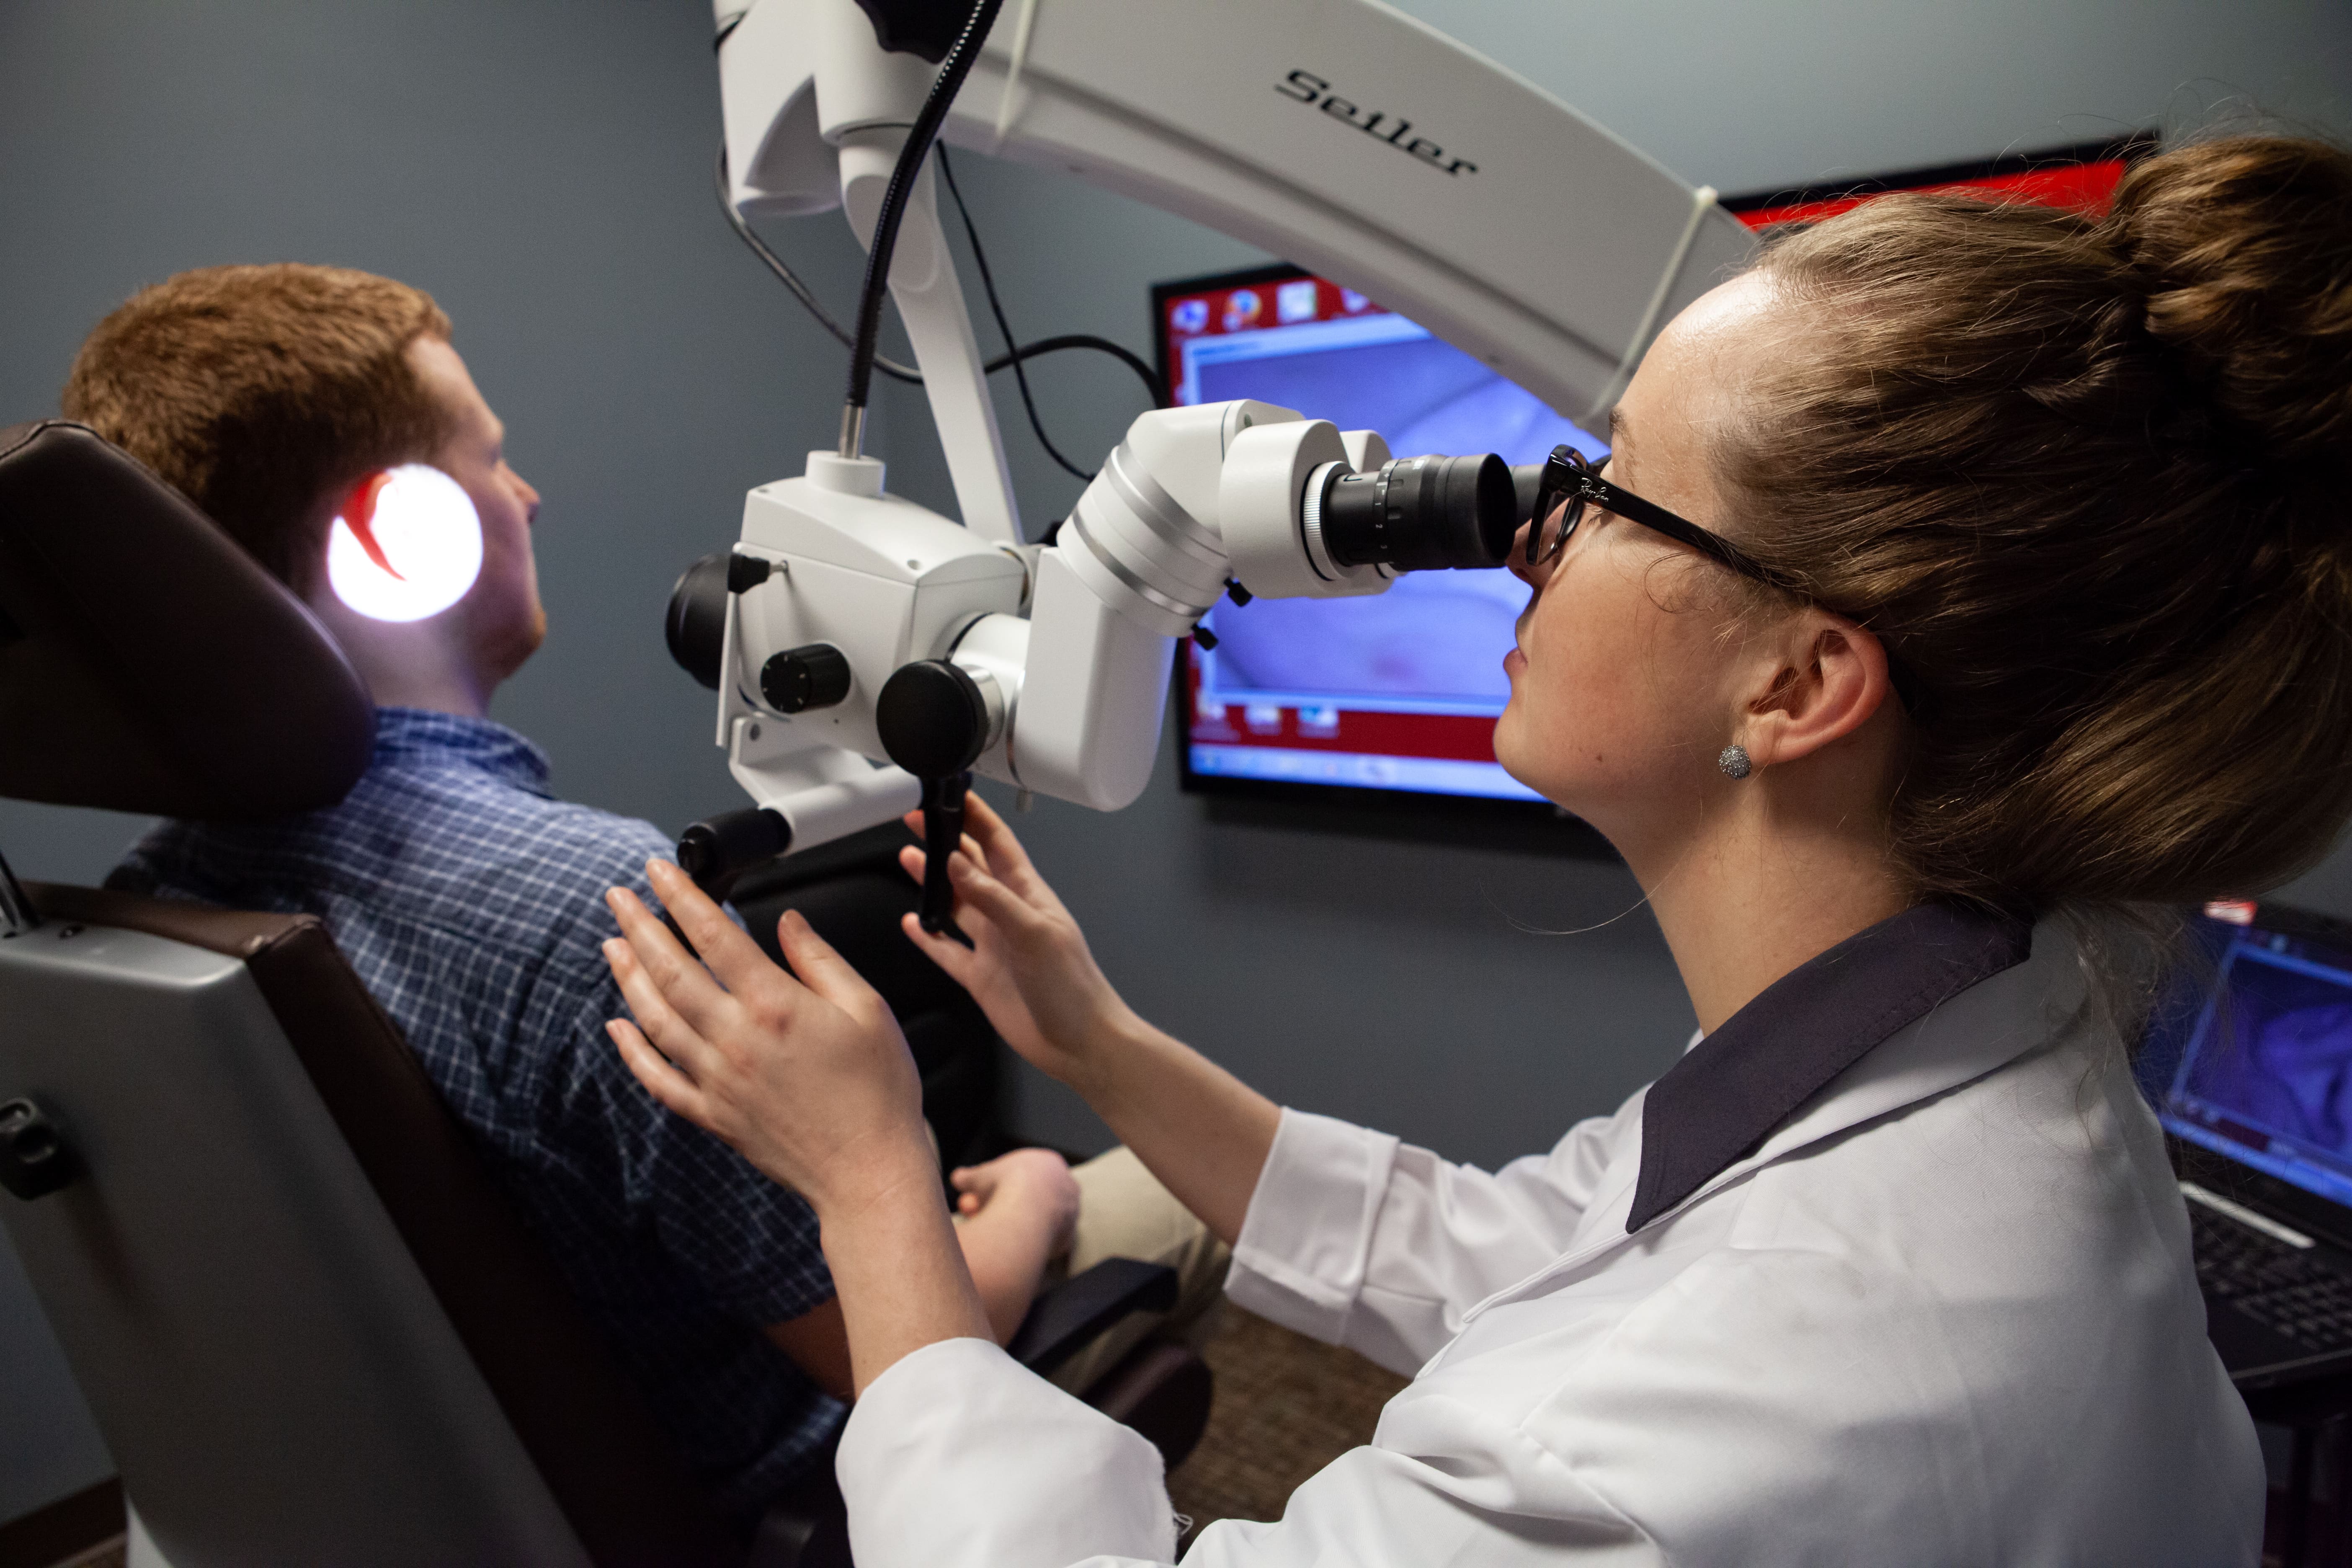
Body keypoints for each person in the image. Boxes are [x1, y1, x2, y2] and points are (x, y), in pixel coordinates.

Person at [599, 133, 2352, 1563]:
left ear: (1804, 681)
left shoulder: (1677, 1440)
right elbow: (1515, 1249)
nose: (1533, 535)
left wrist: (872, 1186)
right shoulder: (1989, 1021)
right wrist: (1099, 1047)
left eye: (1611, 488)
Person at [60, 263, 1107, 1524]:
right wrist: (1041, 1196)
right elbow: (905, 1366)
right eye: (487, 464)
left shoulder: (143, 902)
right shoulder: (595, 916)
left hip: (438, 1515)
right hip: (795, 1502)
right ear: (405, 538)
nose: (528, 496)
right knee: (1138, 1202)